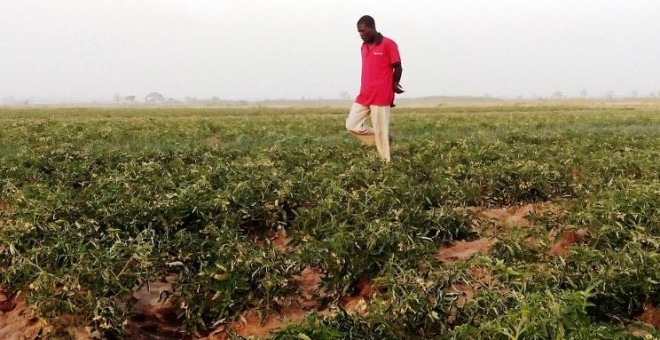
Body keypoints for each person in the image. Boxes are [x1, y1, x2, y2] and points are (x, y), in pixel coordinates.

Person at [345, 15, 403, 163]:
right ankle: (381, 138)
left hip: (381, 95)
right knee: (351, 124)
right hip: (364, 94)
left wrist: (395, 82)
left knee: (381, 132)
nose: (361, 35)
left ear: (372, 27)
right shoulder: (363, 47)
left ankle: (386, 165)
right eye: (359, 32)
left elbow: (398, 67)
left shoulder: (388, 44)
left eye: (364, 31)